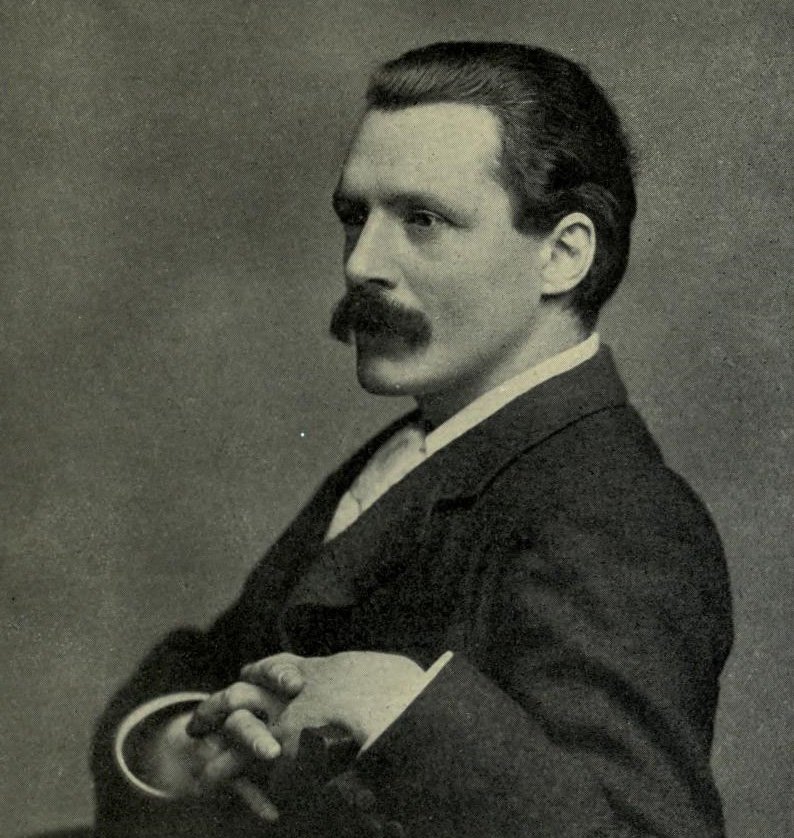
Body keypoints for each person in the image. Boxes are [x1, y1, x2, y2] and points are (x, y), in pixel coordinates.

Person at [91, 42, 733, 838]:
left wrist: (398, 706)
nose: (362, 263)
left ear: (563, 254)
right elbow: (229, 660)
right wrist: (172, 747)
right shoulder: (425, 443)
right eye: (354, 216)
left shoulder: (615, 515)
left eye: (422, 220)